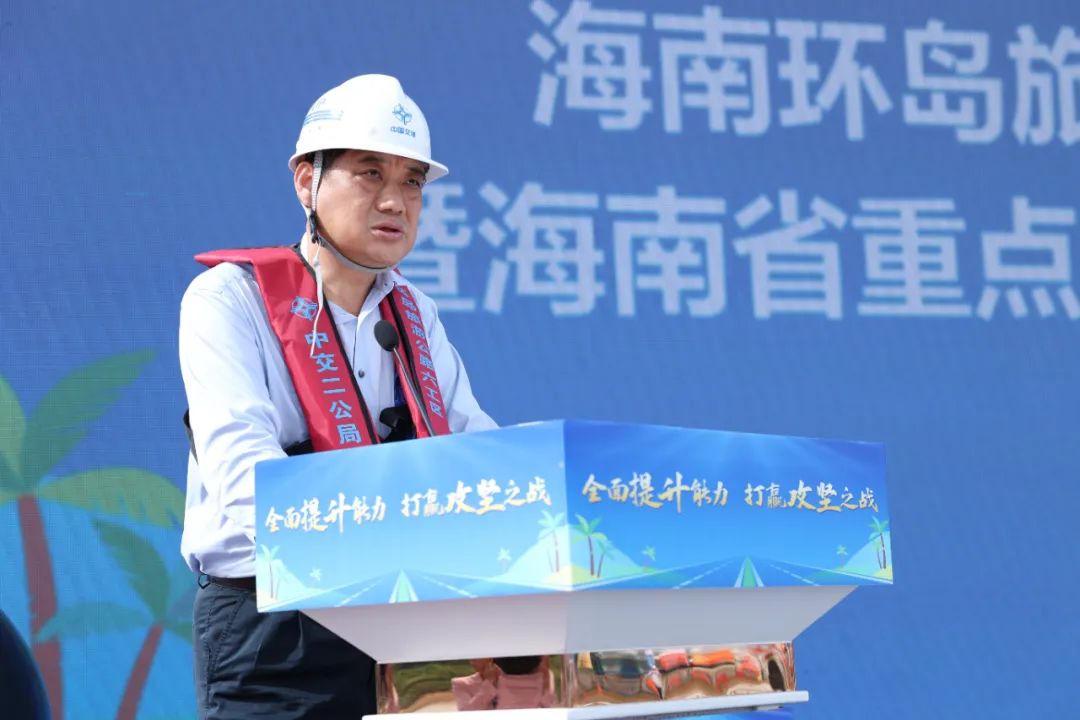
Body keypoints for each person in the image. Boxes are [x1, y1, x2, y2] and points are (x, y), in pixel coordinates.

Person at [178, 74, 496, 719]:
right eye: (370, 173)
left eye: (412, 181)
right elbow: (243, 477)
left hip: (409, 626)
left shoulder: (414, 313)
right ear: (307, 182)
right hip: (277, 631)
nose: (395, 200)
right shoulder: (230, 298)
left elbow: (478, 452)